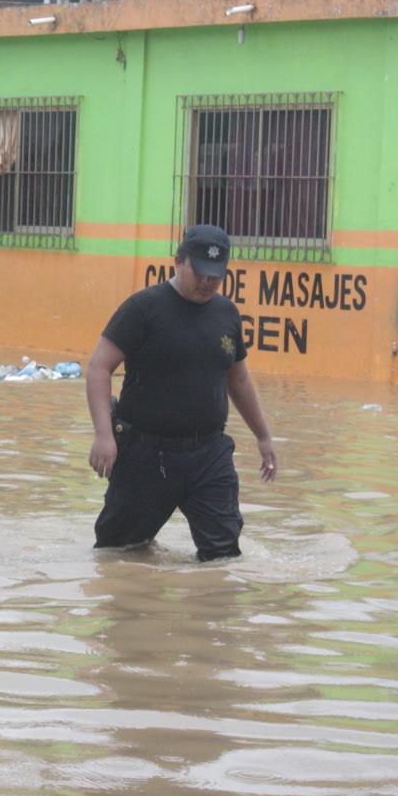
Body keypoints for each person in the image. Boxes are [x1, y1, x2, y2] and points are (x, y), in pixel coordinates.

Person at [86, 225, 277, 562]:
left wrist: (263, 436)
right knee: (119, 555)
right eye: (200, 273)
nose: (207, 282)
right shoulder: (143, 308)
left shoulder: (226, 314)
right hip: (146, 454)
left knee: (223, 557)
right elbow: (100, 367)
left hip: (209, 455)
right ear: (178, 261)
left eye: (216, 276)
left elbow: (239, 380)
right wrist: (104, 436)